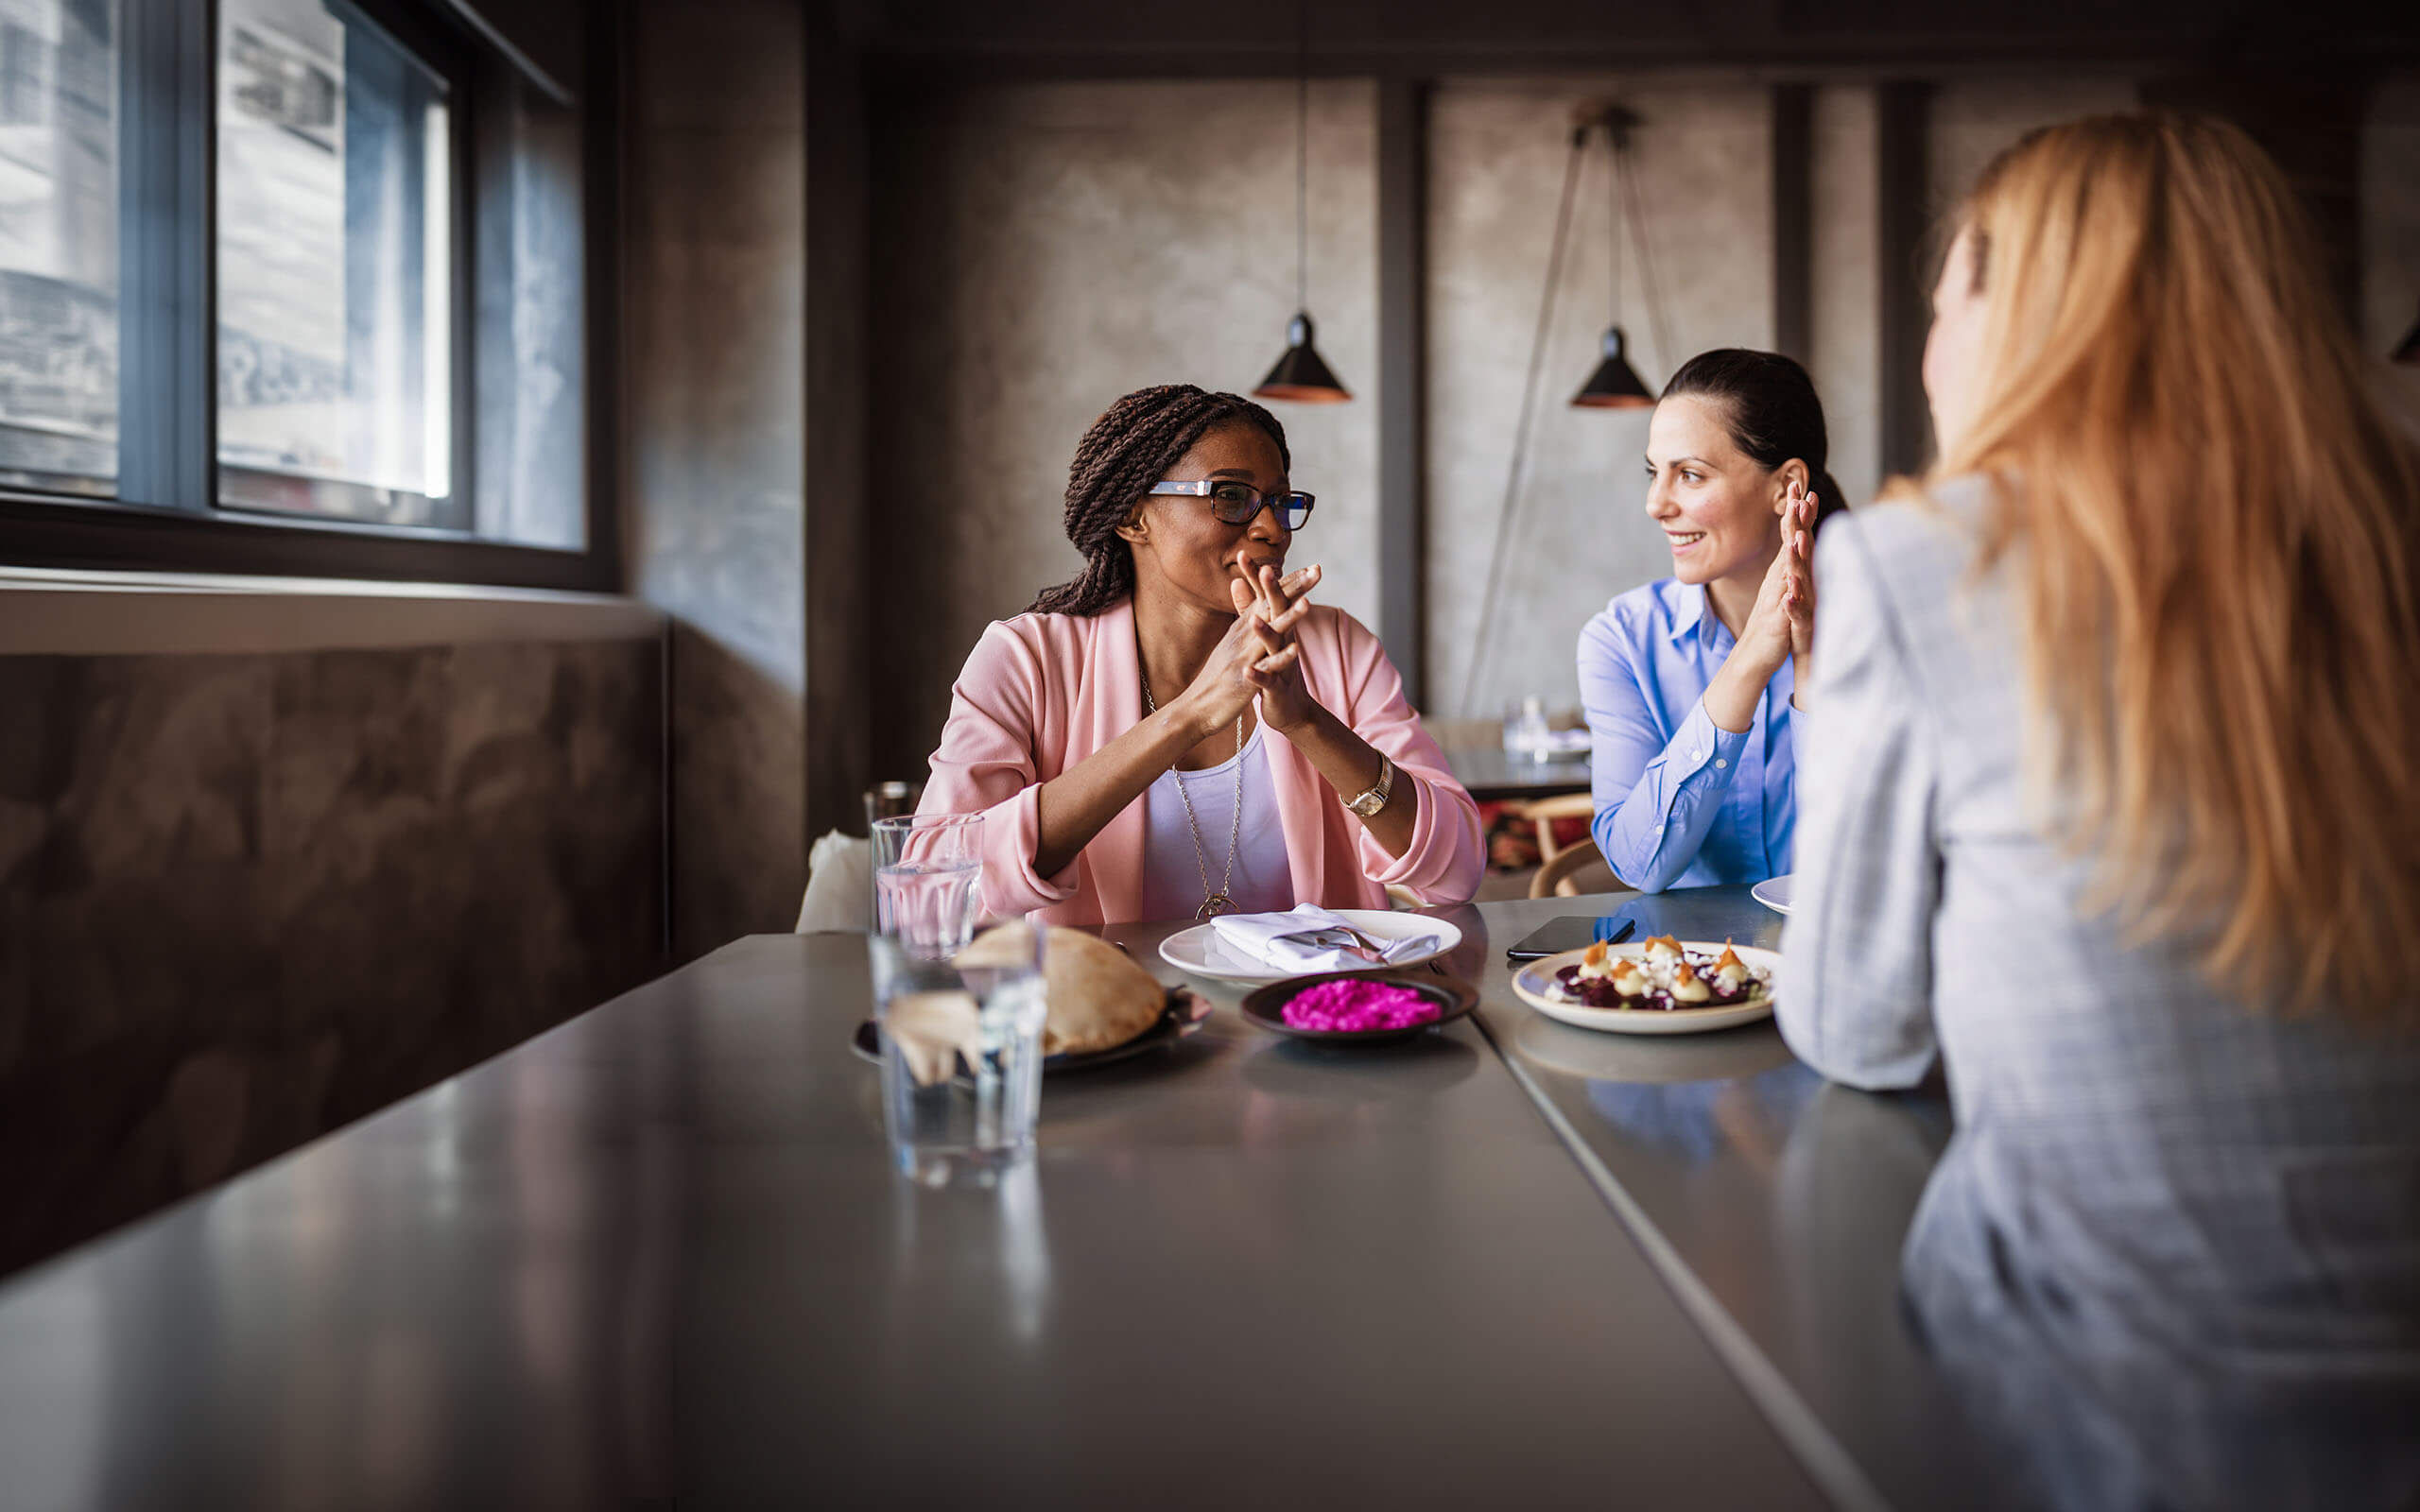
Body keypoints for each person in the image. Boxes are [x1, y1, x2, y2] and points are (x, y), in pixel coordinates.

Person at [1780, 112, 2420, 1505]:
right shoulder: (2394, 534)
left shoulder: (1915, 561)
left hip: (2123, 1412)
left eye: (1944, 298)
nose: (1934, 343)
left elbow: (1854, 1025)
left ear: (2022, 311)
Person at [918, 384, 1483, 926]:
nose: (1271, 529)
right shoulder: (1026, 659)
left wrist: (1308, 722)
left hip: (1310, 1014)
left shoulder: (1336, 647)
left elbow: (1456, 875)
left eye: (1280, 502)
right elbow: (929, 889)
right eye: (1231, 496)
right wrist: (1188, 716)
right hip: (1115, 1020)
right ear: (1132, 516)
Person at [1576, 349, 1841, 892]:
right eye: (1655, 473)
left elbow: (1863, 863)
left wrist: (1811, 659)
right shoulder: (1621, 639)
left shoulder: (1879, 626)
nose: (1656, 503)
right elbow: (1638, 866)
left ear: (1786, 485)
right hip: (1696, 970)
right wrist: (1749, 661)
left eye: (1690, 475)